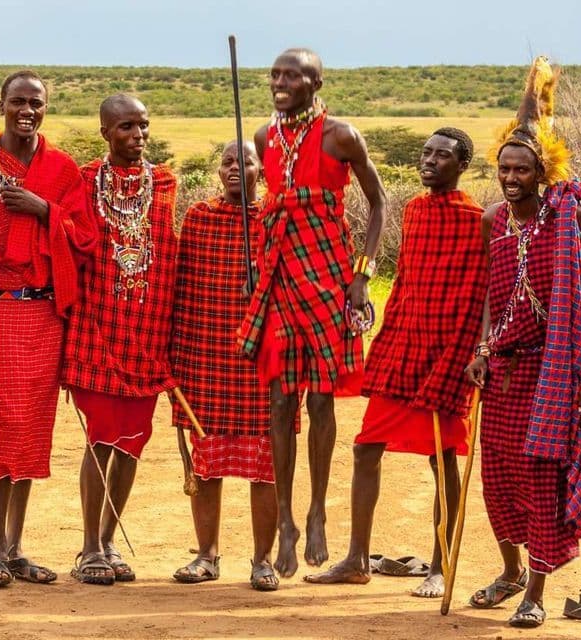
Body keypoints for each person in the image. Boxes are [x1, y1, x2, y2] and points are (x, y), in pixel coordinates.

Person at [465, 57, 581, 628]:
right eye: (504, 166)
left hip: (553, 373)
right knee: (498, 478)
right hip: (504, 372)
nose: (510, 176)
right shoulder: (493, 221)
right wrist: (481, 350)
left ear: (542, 171)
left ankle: (536, 591)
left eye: (522, 169)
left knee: (539, 482)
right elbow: (489, 296)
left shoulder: (567, 216)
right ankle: (507, 572)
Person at [305, 128, 486, 597]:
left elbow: (478, 293)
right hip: (403, 343)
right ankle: (356, 559)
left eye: (442, 156)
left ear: (462, 165)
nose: (430, 161)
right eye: (426, 152)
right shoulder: (415, 209)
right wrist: (385, 336)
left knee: (441, 458)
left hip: (446, 352)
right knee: (366, 447)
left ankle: (441, 565)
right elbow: (406, 279)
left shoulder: (478, 218)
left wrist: (469, 355)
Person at [237, 47, 386, 578]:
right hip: (279, 276)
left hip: (327, 277)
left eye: (292, 74)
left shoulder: (340, 135)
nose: (280, 81)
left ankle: (317, 510)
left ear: (315, 82)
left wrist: (362, 276)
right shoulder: (263, 138)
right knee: (281, 400)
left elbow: (378, 203)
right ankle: (285, 521)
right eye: (275, 73)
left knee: (322, 400)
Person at [0, 70, 98, 587]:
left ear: (45, 108)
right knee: (11, 419)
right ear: (0, 104)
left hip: (46, 310)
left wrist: (44, 210)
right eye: (18, 101)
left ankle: (15, 548)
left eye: (35, 103)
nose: (27, 110)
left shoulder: (61, 169)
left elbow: (85, 236)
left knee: (36, 427)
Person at [62, 94, 178, 585]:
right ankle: (89, 547)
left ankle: (110, 539)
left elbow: (172, 252)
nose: (138, 136)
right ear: (105, 132)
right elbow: (67, 238)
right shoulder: (85, 182)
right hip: (96, 329)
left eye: (144, 126)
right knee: (101, 438)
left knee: (132, 442)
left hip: (149, 333)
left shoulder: (167, 183)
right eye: (127, 127)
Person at [170, 140, 286, 591]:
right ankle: (206, 554)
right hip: (205, 352)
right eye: (227, 161)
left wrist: (264, 288)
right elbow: (182, 286)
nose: (235, 168)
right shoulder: (200, 217)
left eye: (246, 162)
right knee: (207, 462)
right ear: (218, 170)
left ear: (263, 169)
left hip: (264, 358)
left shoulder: (278, 219)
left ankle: (262, 560)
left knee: (266, 463)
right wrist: (174, 355)